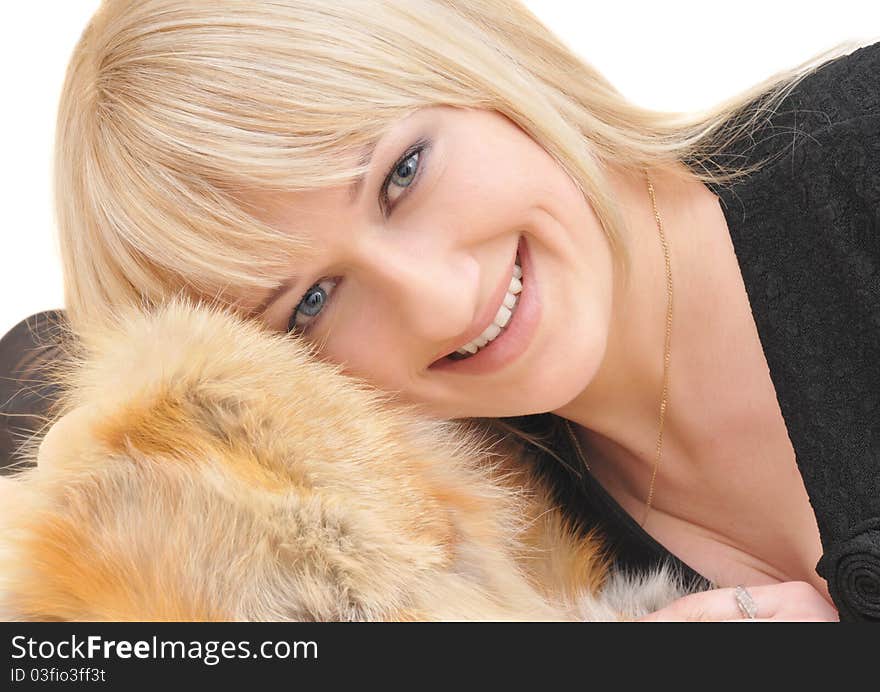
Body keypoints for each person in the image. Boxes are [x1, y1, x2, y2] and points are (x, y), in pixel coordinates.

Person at [52, 0, 878, 620]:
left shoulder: (860, 155)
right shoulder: (481, 550)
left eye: (403, 173)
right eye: (311, 302)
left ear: (483, 63)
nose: (440, 303)